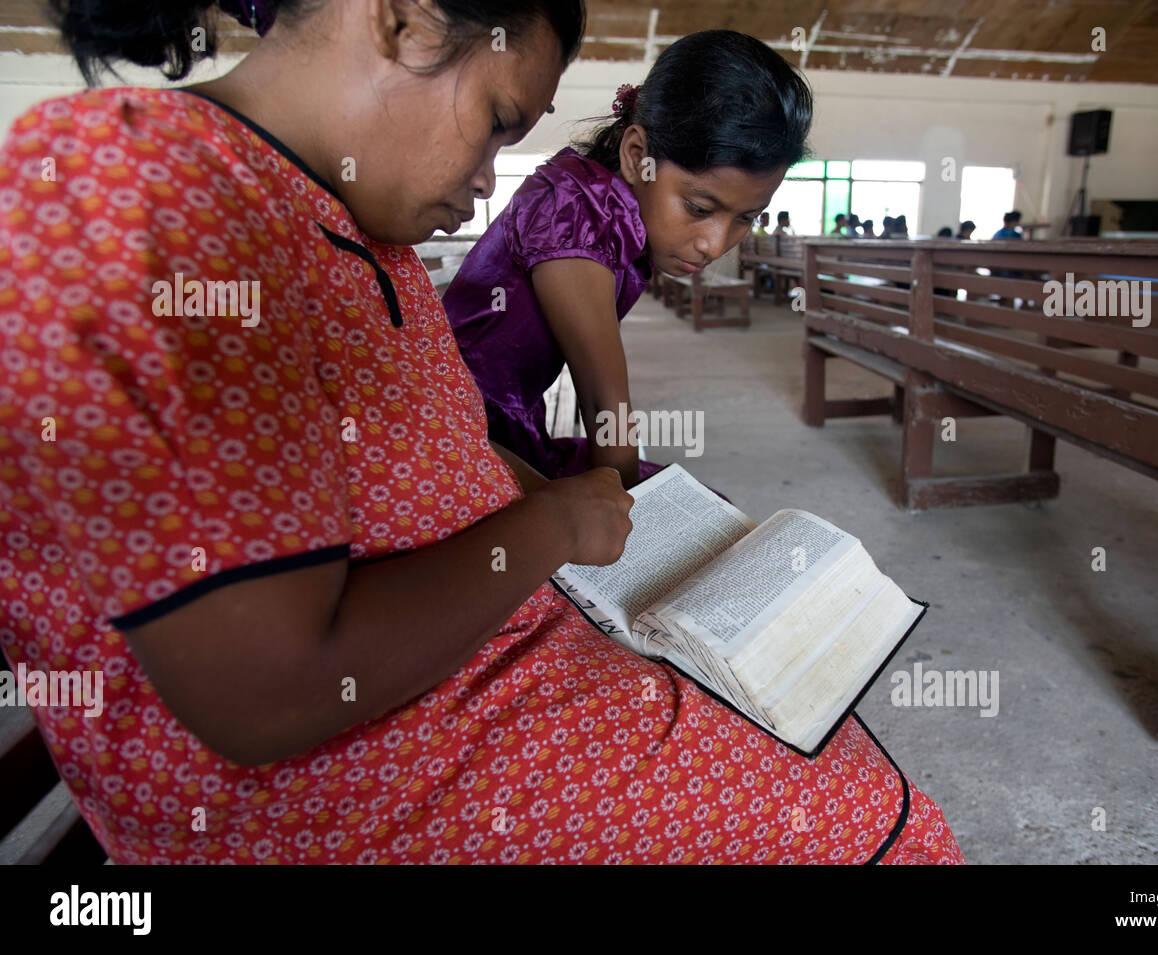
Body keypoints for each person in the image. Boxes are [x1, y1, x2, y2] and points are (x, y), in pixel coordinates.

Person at [1, 3, 965, 867]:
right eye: (499, 120)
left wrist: (555, 513)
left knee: (797, 724)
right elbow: (270, 696)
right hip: (328, 781)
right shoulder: (132, 184)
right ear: (402, 19)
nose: (488, 179)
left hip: (466, 657)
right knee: (876, 818)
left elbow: (444, 444)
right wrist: (553, 530)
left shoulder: (353, 223)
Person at [446, 31, 809, 488]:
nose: (714, 245)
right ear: (638, 156)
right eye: (699, 208)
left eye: (747, 217)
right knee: (685, 510)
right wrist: (626, 520)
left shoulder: (611, 204)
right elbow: (604, 403)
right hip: (463, 435)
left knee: (703, 505)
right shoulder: (573, 211)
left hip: (501, 421)